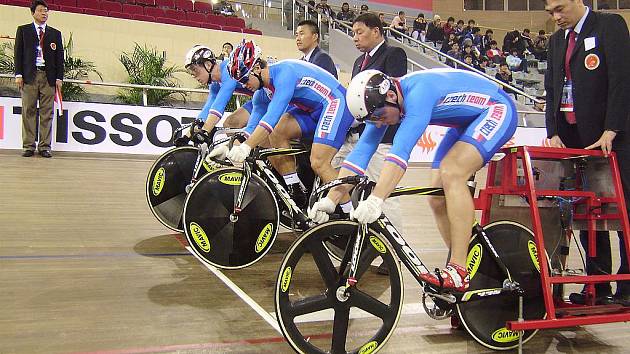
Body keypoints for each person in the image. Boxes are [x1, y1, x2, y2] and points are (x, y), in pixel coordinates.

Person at [309, 68, 518, 291]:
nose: (378, 124)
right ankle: (465, 264)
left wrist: (376, 200)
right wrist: (331, 199)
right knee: (435, 199)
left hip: (497, 109)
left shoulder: (418, 93)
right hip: (464, 124)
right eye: (372, 120)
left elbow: (400, 152)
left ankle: (459, 270)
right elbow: (360, 153)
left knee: (452, 172)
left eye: (379, 117)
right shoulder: (383, 103)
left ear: (390, 96)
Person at [543, 0, 630, 306]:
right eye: (550, 12)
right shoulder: (556, 40)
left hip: (613, 138)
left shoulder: (609, 25)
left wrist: (612, 128)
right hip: (573, 140)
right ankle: (599, 282)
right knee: (586, 213)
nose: (556, 17)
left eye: (561, 9)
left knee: (623, 209)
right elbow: (552, 87)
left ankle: (628, 284)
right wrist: (552, 131)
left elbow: (623, 81)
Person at [223, 40, 355, 209]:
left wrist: (246, 147)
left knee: (319, 162)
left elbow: (271, 117)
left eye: (244, 78)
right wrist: (236, 143)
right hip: (314, 111)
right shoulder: (261, 93)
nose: (243, 85)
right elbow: (253, 127)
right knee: (274, 133)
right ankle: (294, 187)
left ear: (256, 68)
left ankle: (348, 212)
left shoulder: (285, 73)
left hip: (335, 103)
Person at [175, 45, 256, 146]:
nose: (193, 76)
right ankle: (246, 155)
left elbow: (219, 106)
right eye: (191, 72)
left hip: (274, 97)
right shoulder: (214, 84)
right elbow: (208, 109)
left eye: (195, 70)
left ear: (208, 65)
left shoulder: (228, 69)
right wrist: (187, 137)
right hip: (261, 100)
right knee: (230, 124)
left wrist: (205, 131)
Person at [14, 0, 63, 158]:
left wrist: (59, 78)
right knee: (28, 110)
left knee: (47, 112)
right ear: (33, 13)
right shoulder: (23, 30)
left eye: (46, 11)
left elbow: (59, 58)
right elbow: (18, 54)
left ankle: (44, 146)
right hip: (29, 76)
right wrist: (18, 74)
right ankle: (28, 146)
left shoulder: (55, 33)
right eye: (41, 10)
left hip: (48, 77)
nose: (44, 13)